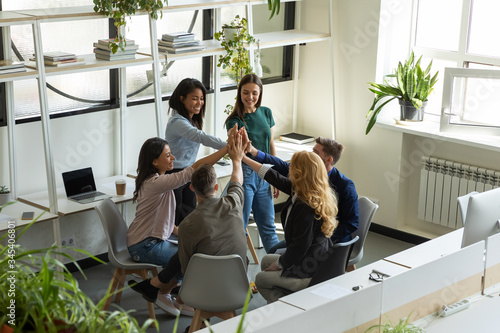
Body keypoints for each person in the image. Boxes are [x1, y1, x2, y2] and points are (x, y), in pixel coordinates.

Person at [128, 127, 247, 318]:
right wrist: (228, 150)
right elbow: (193, 168)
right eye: (168, 155)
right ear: (154, 161)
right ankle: (164, 292)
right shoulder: (156, 183)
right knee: (190, 261)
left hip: (152, 239)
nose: (173, 158)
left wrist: (177, 231)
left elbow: (161, 220)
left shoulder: (159, 180)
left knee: (189, 256)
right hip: (144, 245)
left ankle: (161, 288)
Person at [242, 151, 338, 303]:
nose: (289, 167)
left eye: (292, 165)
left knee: (261, 279)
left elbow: (300, 247)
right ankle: (284, 299)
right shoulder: (308, 192)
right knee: (267, 260)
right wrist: (244, 158)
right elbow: (273, 177)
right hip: (315, 261)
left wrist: (280, 264)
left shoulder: (305, 206)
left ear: (300, 173)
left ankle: (287, 310)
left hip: (308, 270)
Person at [246, 136, 359, 246]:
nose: (311, 154)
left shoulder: (345, 186)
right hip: (305, 239)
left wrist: (319, 238)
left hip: (328, 243)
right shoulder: (308, 175)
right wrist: (253, 152)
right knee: (273, 252)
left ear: (329, 160)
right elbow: (281, 167)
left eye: (316, 153)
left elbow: (351, 224)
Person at [224, 73, 280, 253]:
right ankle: (238, 272)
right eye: (245, 93)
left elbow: (271, 144)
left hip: (265, 175)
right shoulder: (234, 121)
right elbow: (237, 152)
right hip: (246, 175)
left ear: (260, 93)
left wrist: (276, 175)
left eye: (254, 93)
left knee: (268, 227)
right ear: (239, 93)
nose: (250, 97)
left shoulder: (266, 113)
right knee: (239, 228)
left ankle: (279, 269)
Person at [165, 78, 227, 226]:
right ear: (182, 98)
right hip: (175, 174)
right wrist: (229, 146)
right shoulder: (177, 122)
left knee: (189, 218)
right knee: (175, 221)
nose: (199, 102)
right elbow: (200, 137)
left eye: (201, 98)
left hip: (189, 173)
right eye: (194, 98)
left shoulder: (191, 120)